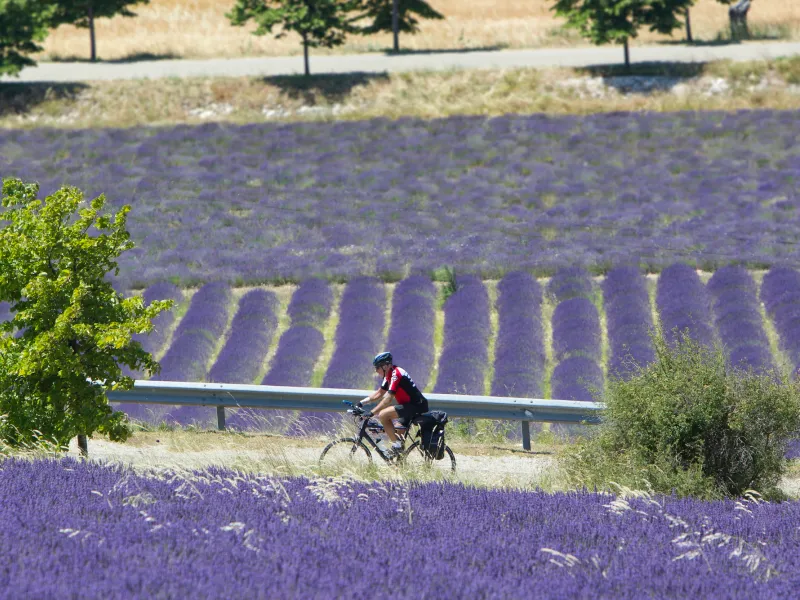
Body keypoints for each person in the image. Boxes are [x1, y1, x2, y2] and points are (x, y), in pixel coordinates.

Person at [359, 351, 429, 457]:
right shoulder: (389, 375)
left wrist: (372, 413)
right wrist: (361, 403)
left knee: (383, 415)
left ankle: (398, 447)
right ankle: (399, 464)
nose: (376, 370)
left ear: (386, 366)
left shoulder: (396, 374)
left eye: (377, 367)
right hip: (408, 406)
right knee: (397, 433)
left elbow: (387, 399)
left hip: (416, 405)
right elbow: (379, 393)